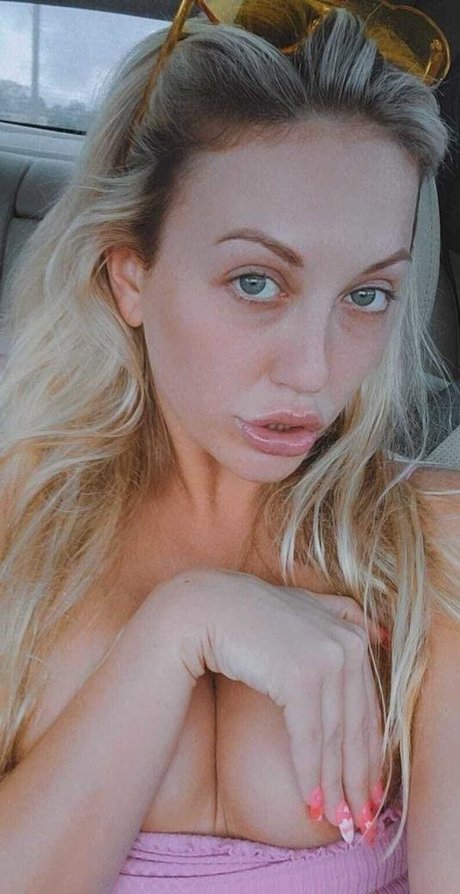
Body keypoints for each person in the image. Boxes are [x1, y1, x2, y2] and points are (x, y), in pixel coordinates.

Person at [0, 2, 458, 892]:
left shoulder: (434, 547)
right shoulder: (17, 529)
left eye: (366, 296)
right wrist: (183, 625)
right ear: (131, 276)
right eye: (256, 282)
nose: (314, 369)